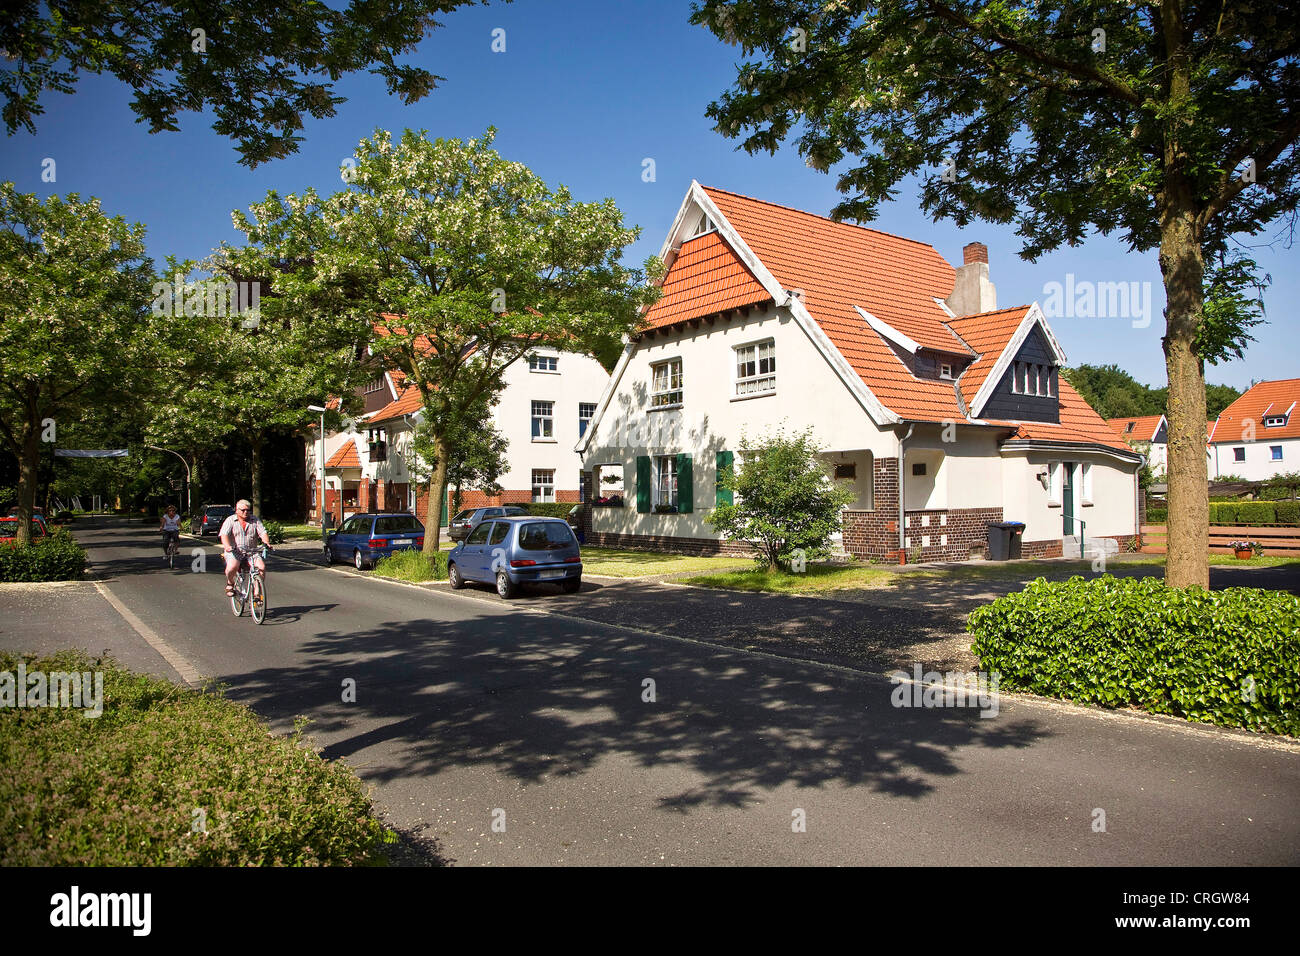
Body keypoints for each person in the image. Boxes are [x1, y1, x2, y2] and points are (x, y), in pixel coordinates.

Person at [219, 499, 271, 596]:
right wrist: (227, 546)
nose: (246, 512)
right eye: (243, 510)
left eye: (248, 510)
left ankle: (257, 593)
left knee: (261, 567)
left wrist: (266, 542)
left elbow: (263, 532)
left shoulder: (255, 520)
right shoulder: (230, 520)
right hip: (235, 552)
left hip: (252, 552)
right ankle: (230, 583)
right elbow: (224, 535)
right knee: (232, 567)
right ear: (237, 510)